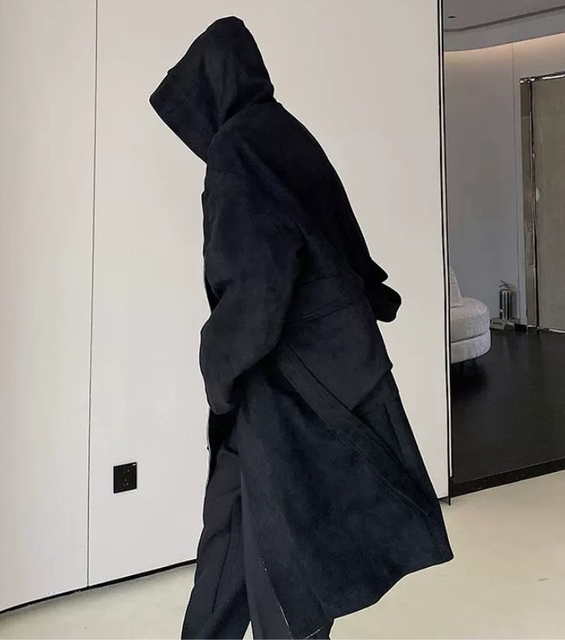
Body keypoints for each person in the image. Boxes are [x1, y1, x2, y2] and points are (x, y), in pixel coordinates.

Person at [150, 16, 453, 640]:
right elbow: (340, 242)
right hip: (321, 369)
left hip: (286, 385)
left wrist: (217, 369)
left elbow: (256, 286)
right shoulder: (285, 132)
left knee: (287, 571)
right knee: (233, 527)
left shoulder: (236, 150)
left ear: (211, 85)